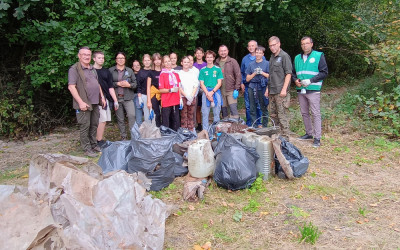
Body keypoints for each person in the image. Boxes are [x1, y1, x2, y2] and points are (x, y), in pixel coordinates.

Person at [68, 46, 105, 157]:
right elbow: (71, 87)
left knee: (94, 124)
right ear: (79, 56)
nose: (86, 57)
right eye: (84, 54)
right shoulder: (74, 69)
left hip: (95, 102)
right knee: (85, 125)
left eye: (88, 55)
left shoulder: (92, 68)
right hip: (84, 103)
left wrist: (102, 97)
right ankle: (86, 148)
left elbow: (97, 84)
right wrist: (80, 102)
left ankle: (93, 144)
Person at [292, 36, 328, 147]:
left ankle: (317, 138)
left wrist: (311, 80)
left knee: (315, 113)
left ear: (311, 44)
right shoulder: (297, 57)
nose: (304, 46)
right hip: (301, 90)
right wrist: (295, 80)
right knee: (304, 113)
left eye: (306, 43)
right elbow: (293, 73)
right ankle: (309, 133)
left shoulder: (318, 55)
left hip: (313, 89)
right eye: (302, 44)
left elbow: (324, 72)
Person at [265, 36, 292, 139]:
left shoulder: (284, 56)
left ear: (279, 44)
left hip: (281, 92)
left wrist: (284, 89)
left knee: (282, 115)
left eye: (274, 45)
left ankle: (286, 139)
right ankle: (276, 136)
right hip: (272, 91)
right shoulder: (272, 57)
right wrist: (268, 89)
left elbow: (288, 74)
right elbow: (271, 75)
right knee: (273, 115)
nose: (272, 47)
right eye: (270, 46)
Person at [92, 51, 119, 147]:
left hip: (106, 99)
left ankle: (99, 139)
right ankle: (97, 141)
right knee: (100, 120)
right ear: (94, 59)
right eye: (99, 58)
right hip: (96, 99)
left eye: (103, 58)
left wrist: (115, 100)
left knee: (104, 120)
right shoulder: (90, 71)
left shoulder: (106, 71)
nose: (101, 59)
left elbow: (110, 87)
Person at [109, 52, 137, 140]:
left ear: (125, 60)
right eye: (119, 58)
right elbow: (108, 84)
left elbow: (135, 84)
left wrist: (129, 85)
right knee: (120, 118)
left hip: (128, 97)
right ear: (116, 60)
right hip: (117, 98)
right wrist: (117, 83)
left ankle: (134, 136)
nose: (121, 60)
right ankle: (123, 136)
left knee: (132, 115)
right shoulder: (111, 70)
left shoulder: (129, 70)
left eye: (122, 58)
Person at [199, 50, 223, 132]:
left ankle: (216, 131)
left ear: (213, 58)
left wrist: (212, 92)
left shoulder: (218, 69)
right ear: (205, 58)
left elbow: (219, 83)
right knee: (205, 113)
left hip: (215, 92)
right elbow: (201, 83)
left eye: (211, 57)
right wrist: (207, 93)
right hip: (205, 93)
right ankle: (205, 131)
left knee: (216, 113)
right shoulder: (202, 70)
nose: (209, 59)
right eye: (207, 57)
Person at [246, 46, 270, 128]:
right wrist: (254, 73)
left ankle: (264, 125)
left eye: (260, 53)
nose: (258, 54)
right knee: (252, 107)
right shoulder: (251, 64)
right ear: (255, 53)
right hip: (252, 87)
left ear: (263, 54)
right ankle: (254, 125)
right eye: (257, 52)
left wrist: (262, 72)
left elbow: (270, 76)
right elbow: (247, 78)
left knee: (263, 107)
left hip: (262, 86)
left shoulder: (267, 63)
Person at [215, 45, 241, 119]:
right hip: (220, 91)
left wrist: (236, 88)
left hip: (231, 90)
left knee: (233, 110)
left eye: (224, 50)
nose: (223, 52)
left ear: (227, 51)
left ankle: (236, 126)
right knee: (224, 111)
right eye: (221, 51)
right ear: (218, 52)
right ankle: (226, 127)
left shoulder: (232, 61)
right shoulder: (216, 63)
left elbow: (238, 75)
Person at [241, 40, 263, 127]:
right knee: (248, 106)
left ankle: (259, 123)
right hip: (248, 85)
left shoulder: (262, 58)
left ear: (256, 47)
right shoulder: (245, 59)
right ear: (247, 47)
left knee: (259, 105)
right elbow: (242, 72)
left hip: (259, 86)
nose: (251, 47)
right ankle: (249, 124)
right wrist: (242, 82)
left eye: (253, 46)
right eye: (249, 46)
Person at [159, 55, 181, 131]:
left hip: (175, 100)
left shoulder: (176, 74)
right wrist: (170, 90)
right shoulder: (162, 74)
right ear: (163, 64)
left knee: (176, 121)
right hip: (166, 101)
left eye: (169, 61)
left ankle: (176, 137)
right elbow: (161, 90)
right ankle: (167, 138)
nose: (168, 63)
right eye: (166, 62)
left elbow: (179, 87)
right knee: (166, 122)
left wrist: (180, 99)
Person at [179, 56, 199, 132]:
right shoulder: (179, 73)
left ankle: (191, 129)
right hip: (183, 97)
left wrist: (191, 96)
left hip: (192, 97)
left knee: (191, 115)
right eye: (185, 62)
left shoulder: (192, 73)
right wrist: (186, 96)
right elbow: (179, 86)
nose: (186, 63)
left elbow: (196, 85)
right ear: (181, 63)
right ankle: (184, 130)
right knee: (184, 115)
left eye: (188, 62)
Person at [147, 53, 162, 127]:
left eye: (159, 59)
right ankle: (157, 129)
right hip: (154, 94)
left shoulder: (164, 71)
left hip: (163, 93)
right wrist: (149, 101)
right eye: (155, 60)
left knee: (165, 113)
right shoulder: (150, 72)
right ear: (153, 61)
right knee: (157, 114)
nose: (157, 61)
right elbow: (148, 87)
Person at [136, 54, 152, 125]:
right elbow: (138, 86)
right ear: (143, 62)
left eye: (148, 60)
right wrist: (140, 98)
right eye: (145, 60)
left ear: (151, 61)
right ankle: (148, 133)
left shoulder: (153, 71)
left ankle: (156, 132)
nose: (147, 62)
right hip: (144, 95)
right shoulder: (140, 72)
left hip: (154, 95)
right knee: (147, 115)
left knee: (155, 115)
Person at [193, 47, 207, 131]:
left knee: (205, 107)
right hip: (196, 89)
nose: (198, 54)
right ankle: (199, 124)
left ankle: (206, 123)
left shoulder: (206, 65)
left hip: (204, 88)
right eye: (197, 53)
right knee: (197, 107)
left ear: (203, 54)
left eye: (200, 53)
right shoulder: (193, 65)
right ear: (195, 55)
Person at [132, 60, 144, 126]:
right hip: (136, 96)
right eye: (135, 65)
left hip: (145, 95)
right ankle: (139, 132)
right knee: (138, 115)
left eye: (138, 65)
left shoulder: (144, 74)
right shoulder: (131, 76)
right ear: (132, 67)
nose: (136, 67)